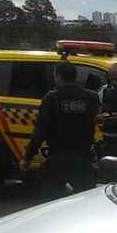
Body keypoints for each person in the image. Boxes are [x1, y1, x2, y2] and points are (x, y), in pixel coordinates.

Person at [21, 62, 99, 197]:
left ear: (58, 76)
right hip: (83, 158)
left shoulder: (51, 98)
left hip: (58, 159)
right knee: (85, 203)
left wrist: (27, 158)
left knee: (53, 203)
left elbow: (40, 131)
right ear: (75, 76)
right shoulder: (91, 97)